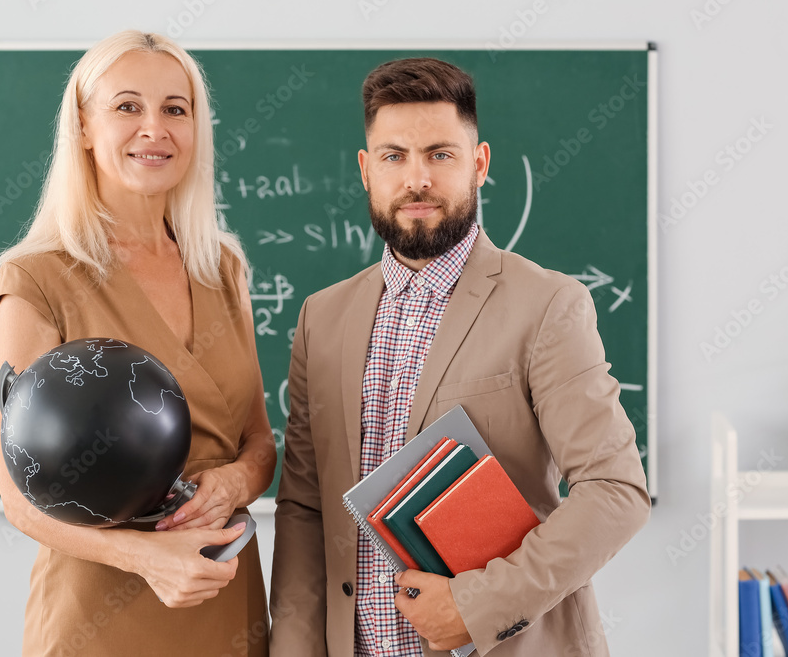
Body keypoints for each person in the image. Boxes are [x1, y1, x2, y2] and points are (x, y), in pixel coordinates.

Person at [269, 57, 651, 657]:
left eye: (440, 154)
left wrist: (476, 609)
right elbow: (302, 507)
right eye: (394, 156)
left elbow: (616, 490)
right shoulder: (323, 317)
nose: (416, 178)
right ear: (367, 171)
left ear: (479, 164)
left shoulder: (548, 305)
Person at [0, 30, 276, 657]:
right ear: (85, 127)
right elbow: (18, 491)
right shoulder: (36, 276)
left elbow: (258, 442)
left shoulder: (223, 266)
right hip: (100, 610)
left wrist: (231, 485)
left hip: (221, 595)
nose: (155, 129)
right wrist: (146, 558)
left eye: (176, 108)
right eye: (127, 107)